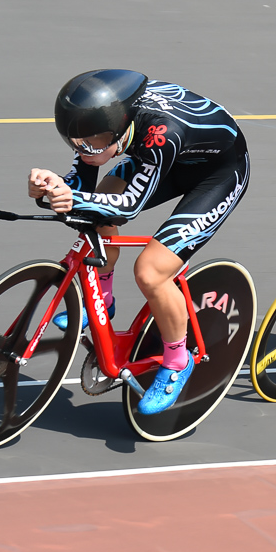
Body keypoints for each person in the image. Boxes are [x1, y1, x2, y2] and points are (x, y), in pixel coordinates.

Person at [28, 69, 250, 414]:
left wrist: (73, 198)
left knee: (151, 271)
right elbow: (84, 178)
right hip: (166, 158)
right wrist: (55, 184)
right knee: (96, 208)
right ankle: (103, 296)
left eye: (95, 143)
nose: (85, 150)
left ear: (123, 127)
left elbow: (128, 206)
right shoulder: (96, 124)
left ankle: (177, 360)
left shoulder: (162, 133)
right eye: (75, 142)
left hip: (217, 174)